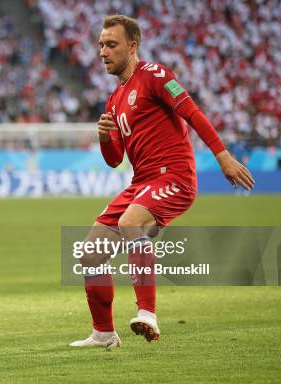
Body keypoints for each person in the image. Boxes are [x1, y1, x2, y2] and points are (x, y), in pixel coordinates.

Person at [70, 15, 255, 348]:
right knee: (90, 253)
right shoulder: (114, 99)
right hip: (141, 183)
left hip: (175, 177)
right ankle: (103, 334)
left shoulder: (155, 76)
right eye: (100, 45)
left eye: (111, 44)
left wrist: (222, 155)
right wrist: (104, 138)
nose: (103, 51)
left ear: (133, 46)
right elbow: (114, 160)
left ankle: (148, 313)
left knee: (130, 223)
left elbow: (192, 112)